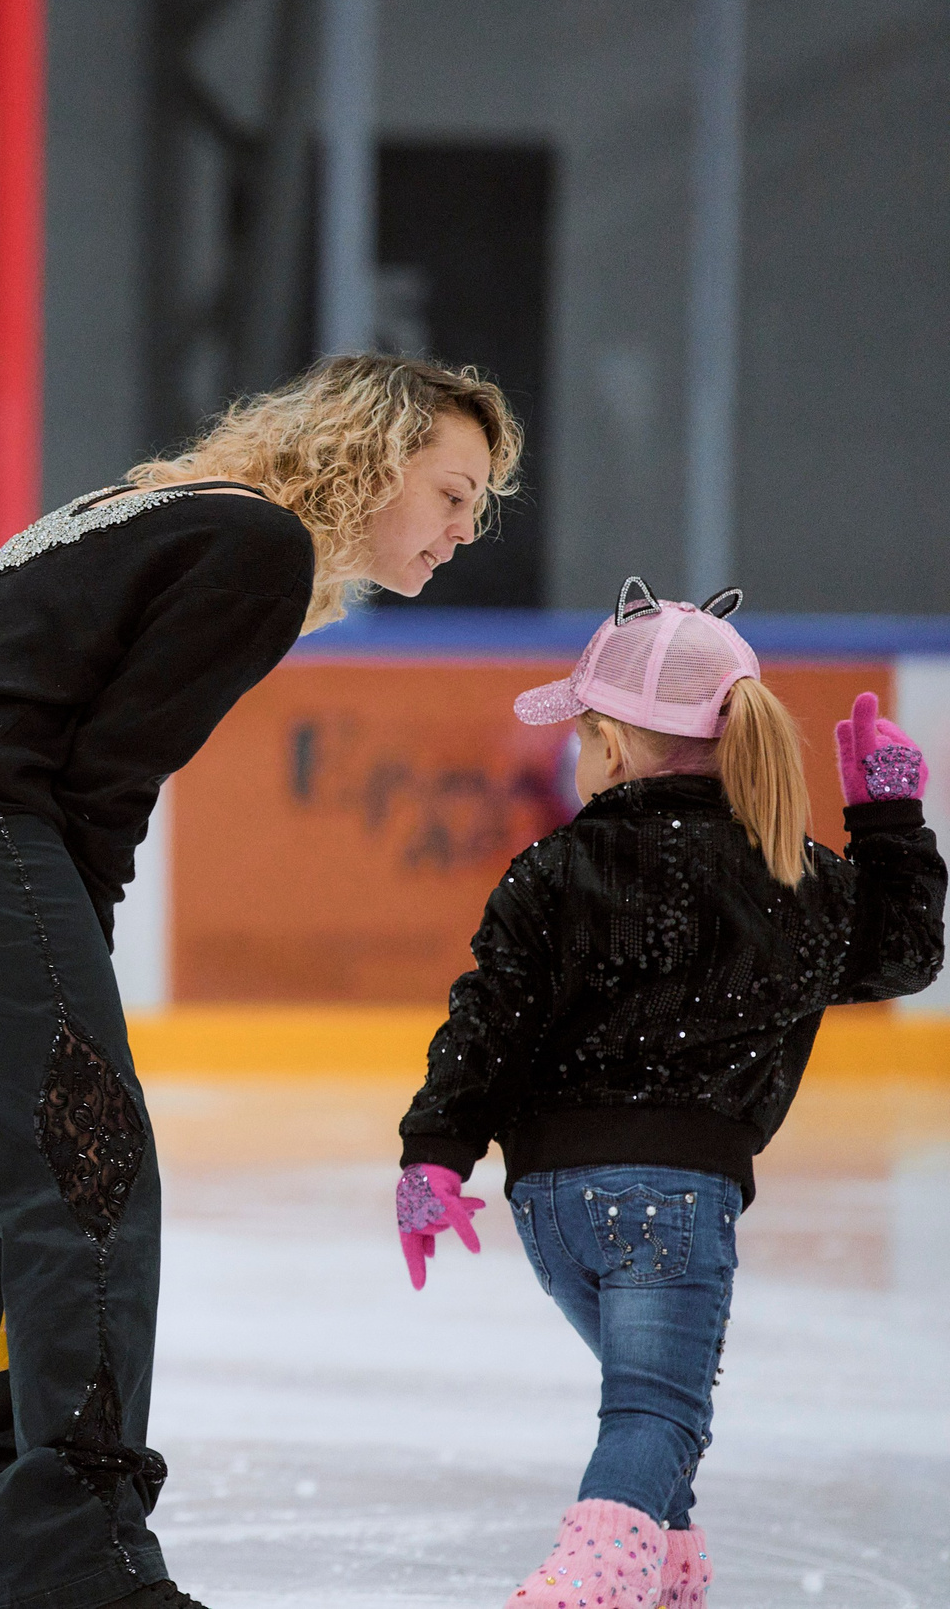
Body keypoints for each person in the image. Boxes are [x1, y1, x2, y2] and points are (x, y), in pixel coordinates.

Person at [0, 354, 522, 1609]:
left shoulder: (182, 506)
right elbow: (107, 777)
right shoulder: (256, 544)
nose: (466, 529)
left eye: (480, 506)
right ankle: (76, 1557)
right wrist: (68, 956)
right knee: (83, 1172)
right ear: (369, 455)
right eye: (453, 491)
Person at [395, 583, 942, 1609]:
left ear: (608, 745)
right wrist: (889, 822)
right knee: (655, 1409)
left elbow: (488, 1022)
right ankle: (583, 1583)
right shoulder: (794, 875)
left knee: (665, 1407)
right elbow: (899, 957)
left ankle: (669, 1580)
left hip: (549, 1205)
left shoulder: (551, 866)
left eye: (581, 736)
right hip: (674, 1203)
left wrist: (433, 1156)